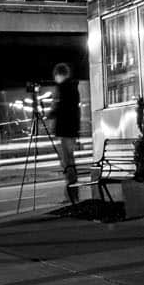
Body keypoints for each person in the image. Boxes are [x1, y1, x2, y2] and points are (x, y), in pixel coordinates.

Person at [50, 63, 81, 203]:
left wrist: (50, 114)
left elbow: (60, 108)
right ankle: (72, 194)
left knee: (67, 163)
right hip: (71, 130)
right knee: (69, 162)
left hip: (65, 130)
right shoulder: (73, 88)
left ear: (59, 74)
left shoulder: (63, 88)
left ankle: (71, 195)